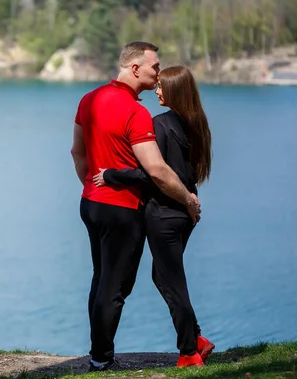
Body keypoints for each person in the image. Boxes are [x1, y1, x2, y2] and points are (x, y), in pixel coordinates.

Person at [70, 42, 201, 372]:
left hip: (91, 203)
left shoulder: (88, 100)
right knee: (116, 288)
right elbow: (156, 170)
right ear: (134, 68)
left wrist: (90, 184)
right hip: (123, 210)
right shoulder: (135, 112)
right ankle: (100, 360)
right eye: (155, 67)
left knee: (101, 280)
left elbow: (77, 152)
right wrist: (188, 199)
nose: (158, 73)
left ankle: (98, 354)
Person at [92, 65, 215, 368]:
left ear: (174, 91)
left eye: (162, 86)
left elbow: (151, 174)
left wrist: (112, 175)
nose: (157, 91)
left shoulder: (159, 124)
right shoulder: (197, 124)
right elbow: (189, 172)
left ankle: (188, 352)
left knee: (172, 282)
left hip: (163, 214)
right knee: (163, 276)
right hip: (182, 214)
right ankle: (196, 338)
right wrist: (190, 198)